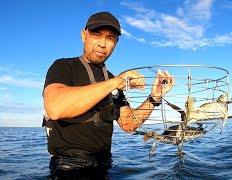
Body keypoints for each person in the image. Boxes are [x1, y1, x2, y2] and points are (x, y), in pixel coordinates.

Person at [42, 11, 174, 179]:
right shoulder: (64, 66)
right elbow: (55, 108)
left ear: (116, 43)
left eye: (110, 38)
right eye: (96, 35)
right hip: (67, 168)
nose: (103, 44)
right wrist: (117, 82)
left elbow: (128, 124)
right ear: (84, 35)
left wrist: (155, 97)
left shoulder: (112, 79)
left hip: (105, 165)